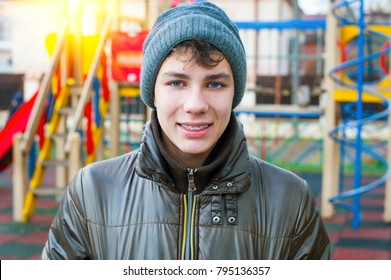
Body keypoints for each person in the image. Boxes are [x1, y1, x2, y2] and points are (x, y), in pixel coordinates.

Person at [41, 1, 330, 260]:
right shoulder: (92, 191)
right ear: (152, 92)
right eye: (177, 83)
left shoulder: (291, 199)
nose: (195, 105)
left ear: (235, 94)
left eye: (215, 84)